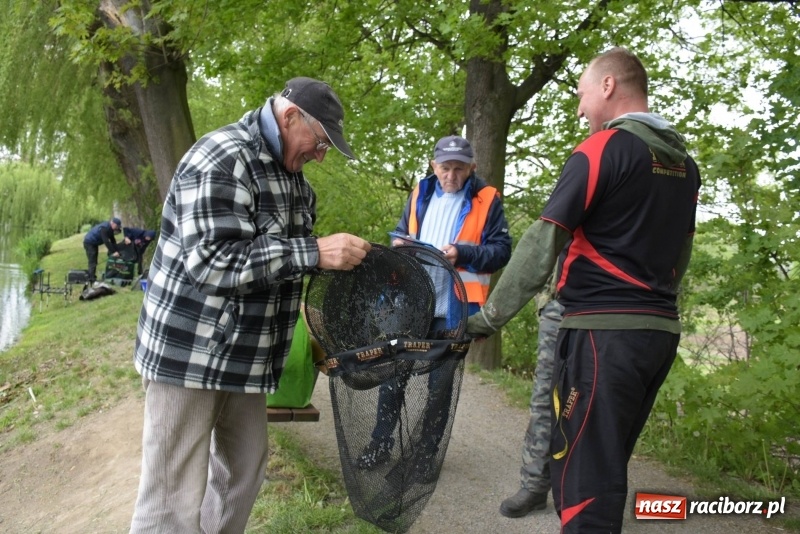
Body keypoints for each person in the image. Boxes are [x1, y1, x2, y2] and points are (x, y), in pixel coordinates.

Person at [466, 47, 700, 532]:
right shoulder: (685, 165)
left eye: (581, 94)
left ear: (608, 86)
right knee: (606, 460)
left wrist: (488, 319)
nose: (579, 109)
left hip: (601, 335)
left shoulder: (600, 150)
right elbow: (682, 251)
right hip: (658, 335)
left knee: (584, 481)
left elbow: (542, 242)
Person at [130, 77, 371, 533]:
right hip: (191, 354)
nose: (321, 156)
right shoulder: (222, 157)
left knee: (242, 473)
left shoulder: (296, 183)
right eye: (321, 142)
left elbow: (285, 265)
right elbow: (212, 265)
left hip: (247, 358)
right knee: (171, 497)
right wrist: (315, 251)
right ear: (290, 117)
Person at [357, 135, 512, 480]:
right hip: (413, 304)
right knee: (392, 377)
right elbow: (401, 232)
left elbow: (502, 251)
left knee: (439, 388)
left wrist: (462, 252)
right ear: (433, 166)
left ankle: (425, 456)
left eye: (459, 169)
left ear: (472, 168)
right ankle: (380, 444)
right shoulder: (420, 193)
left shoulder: (488, 199)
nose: (451, 175)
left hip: (455, 308)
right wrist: (399, 243)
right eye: (445, 168)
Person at [499, 272, 563, 518]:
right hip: (561, 306)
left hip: (614, 311)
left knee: (598, 404)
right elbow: (536, 259)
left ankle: (589, 494)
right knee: (545, 398)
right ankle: (534, 487)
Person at [83, 217, 123, 283]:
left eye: (118, 227)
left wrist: (117, 250)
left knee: (94, 261)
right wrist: (113, 252)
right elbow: (106, 241)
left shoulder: (110, 229)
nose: (117, 228)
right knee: (92, 261)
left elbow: (113, 240)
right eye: (117, 226)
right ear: (113, 223)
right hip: (89, 242)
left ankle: (92, 277)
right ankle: (91, 279)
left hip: (94, 243)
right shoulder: (104, 228)